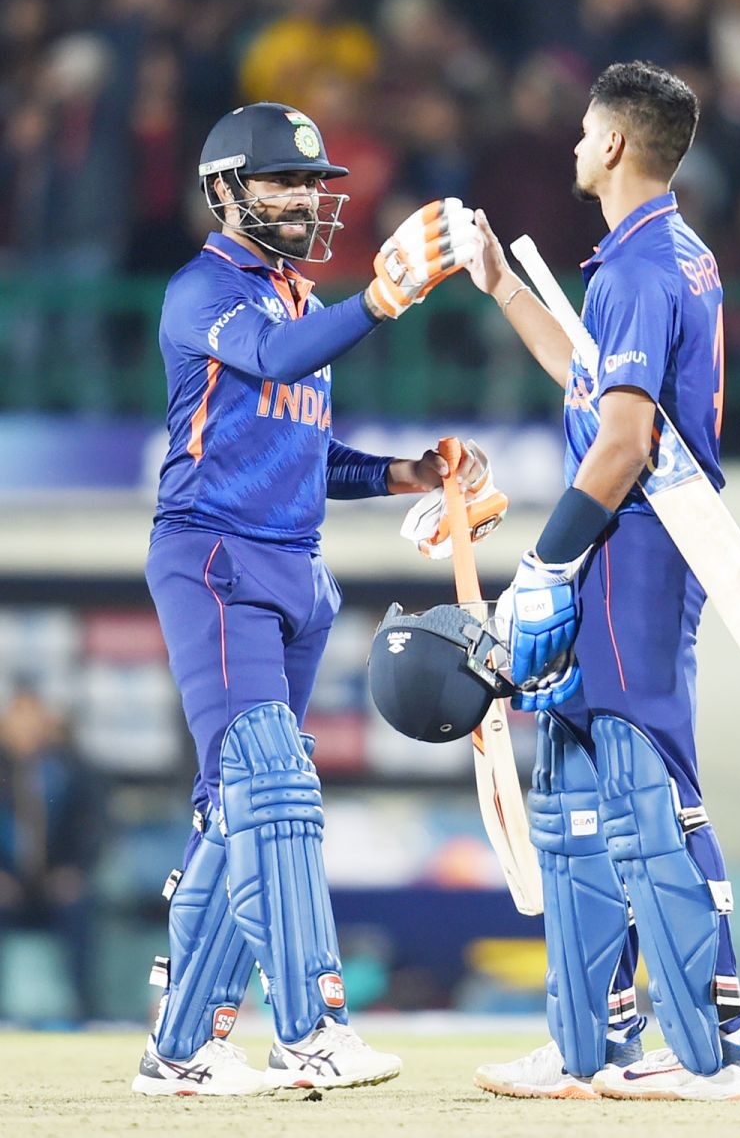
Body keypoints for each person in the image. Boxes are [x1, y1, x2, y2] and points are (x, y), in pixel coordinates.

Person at [133, 100, 482, 1096]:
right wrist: (378, 300)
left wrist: (408, 472)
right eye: (282, 180)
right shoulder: (201, 291)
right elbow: (282, 362)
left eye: (310, 183)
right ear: (224, 191)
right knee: (274, 787)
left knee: (231, 811)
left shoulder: (294, 299)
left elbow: (305, 450)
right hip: (216, 561)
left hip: (293, 566)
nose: (302, 197)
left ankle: (183, 1048)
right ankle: (310, 1028)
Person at [464, 61, 740, 1102]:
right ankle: (588, 1044)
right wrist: (503, 281)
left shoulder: (640, 269)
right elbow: (589, 379)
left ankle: (720, 1051)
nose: (573, 145)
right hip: (623, 548)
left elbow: (625, 440)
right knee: (576, 802)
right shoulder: (664, 257)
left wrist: (549, 556)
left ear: (616, 146)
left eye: (586, 131)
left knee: (649, 794)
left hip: (631, 547)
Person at [0, 683, 104, 1022]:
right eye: (19, 717)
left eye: (34, 717)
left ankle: (84, 1013)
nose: (27, 726)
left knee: (78, 908)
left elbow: (94, 825)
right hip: (8, 881)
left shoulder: (69, 768)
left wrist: (75, 870)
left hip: (56, 880)